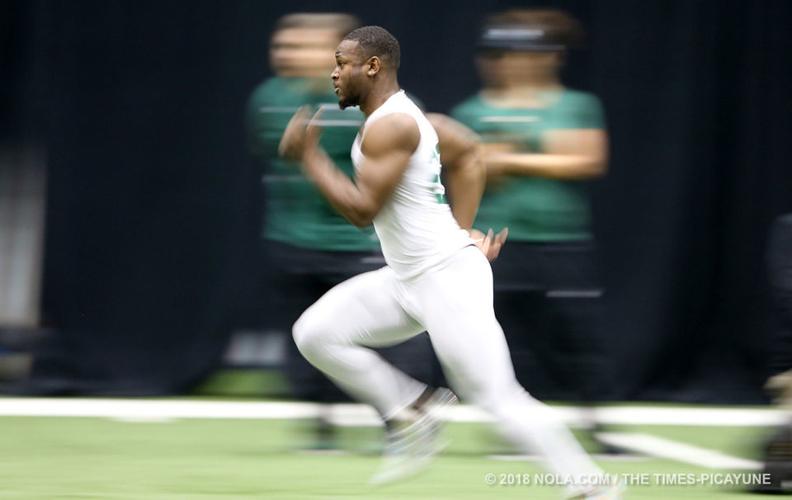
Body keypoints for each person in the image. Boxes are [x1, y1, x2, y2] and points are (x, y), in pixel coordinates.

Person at [279, 25, 621, 499]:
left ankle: (594, 488)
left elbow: (361, 210)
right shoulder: (410, 120)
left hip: (445, 281)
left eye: (341, 63)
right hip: (407, 279)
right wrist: (462, 232)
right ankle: (413, 407)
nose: (333, 74)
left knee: (499, 399)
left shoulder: (393, 125)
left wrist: (310, 157)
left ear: (372, 66)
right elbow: (470, 153)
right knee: (315, 334)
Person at [246, 13, 433, 449]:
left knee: (384, 339)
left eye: (303, 46)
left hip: (359, 242)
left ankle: (404, 421)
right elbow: (273, 155)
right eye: (283, 46)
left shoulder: (385, 107)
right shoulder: (268, 99)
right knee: (306, 338)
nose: (288, 55)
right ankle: (320, 427)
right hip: (292, 240)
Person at [450, 10, 613, 411]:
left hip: (559, 240)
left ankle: (598, 421)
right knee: (505, 337)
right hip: (495, 242)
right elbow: (458, 171)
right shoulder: (471, 112)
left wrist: (509, 160)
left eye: (520, 53)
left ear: (548, 57)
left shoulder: (572, 105)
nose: (508, 63)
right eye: (500, 53)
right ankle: (517, 424)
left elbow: (586, 160)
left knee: (577, 334)